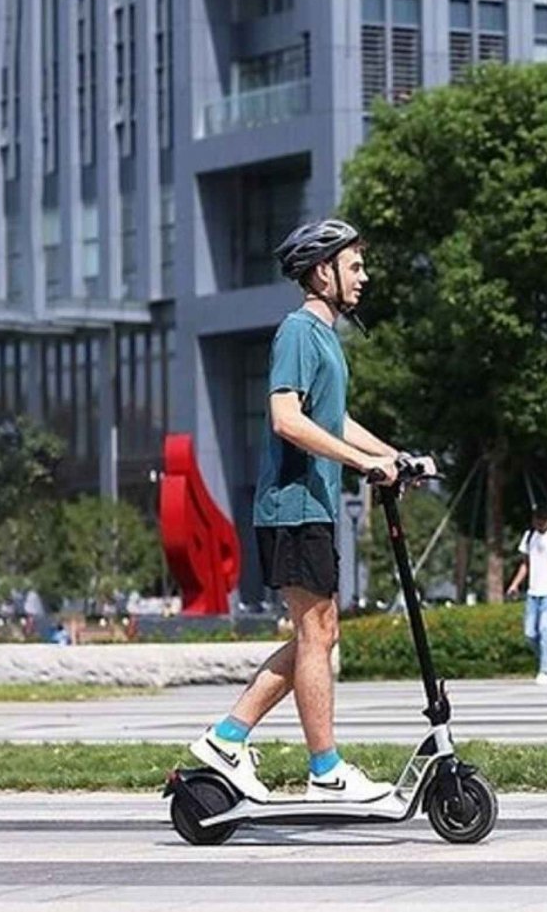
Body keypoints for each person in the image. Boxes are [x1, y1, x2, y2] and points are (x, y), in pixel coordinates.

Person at [188, 218, 433, 803]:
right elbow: (287, 418)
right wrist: (360, 463)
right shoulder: (298, 331)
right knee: (316, 633)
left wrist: (392, 456)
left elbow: (332, 422)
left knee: (316, 636)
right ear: (322, 272)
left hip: (310, 506)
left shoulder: (326, 339)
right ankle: (324, 768)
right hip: (292, 506)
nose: (363, 277)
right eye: (354, 266)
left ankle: (227, 739)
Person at [505, 504, 547, 685]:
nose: (540, 523)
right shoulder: (529, 537)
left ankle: (544, 670)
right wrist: (514, 584)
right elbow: (525, 564)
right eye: (537, 519)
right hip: (533, 591)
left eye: (543, 520)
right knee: (529, 634)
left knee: (546, 631)